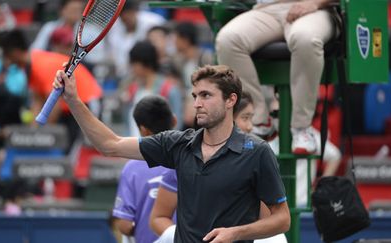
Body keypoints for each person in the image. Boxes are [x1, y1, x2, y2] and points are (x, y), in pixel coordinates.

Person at [53, 64, 290, 242]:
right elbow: (109, 145)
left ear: (231, 100)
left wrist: (236, 233)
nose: (197, 103)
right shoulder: (178, 144)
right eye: (195, 96)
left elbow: (282, 219)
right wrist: (73, 99)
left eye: (206, 95)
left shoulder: (257, 152)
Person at [149, 91, 287, 243]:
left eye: (251, 118)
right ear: (227, 116)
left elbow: (273, 220)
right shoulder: (183, 158)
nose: (249, 126)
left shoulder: (255, 156)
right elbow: (158, 217)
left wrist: (236, 233)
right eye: (245, 118)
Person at [216, 0, 338, 155]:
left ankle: (302, 128)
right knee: (227, 40)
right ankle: (258, 119)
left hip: (314, 10)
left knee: (305, 38)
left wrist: (314, 3)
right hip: (267, 10)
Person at [0, 29, 102, 148]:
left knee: (76, 149)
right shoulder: (29, 67)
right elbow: (37, 100)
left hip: (87, 100)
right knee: (64, 146)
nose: (6, 59)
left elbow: (55, 105)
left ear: (14, 52)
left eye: (6, 54)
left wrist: (41, 135)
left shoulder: (41, 65)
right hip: (69, 109)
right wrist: (32, 132)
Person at [113, 95, 176, 243]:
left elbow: (124, 225)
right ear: (174, 120)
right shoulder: (190, 157)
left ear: (143, 130)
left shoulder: (132, 167)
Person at [121, 41, 183, 136]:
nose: (132, 68)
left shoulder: (169, 90)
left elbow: (177, 124)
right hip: (134, 146)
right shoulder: (133, 89)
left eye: (134, 64)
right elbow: (128, 124)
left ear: (145, 63)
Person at [107, 0, 166, 79]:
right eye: (123, 19)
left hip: (152, 70)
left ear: (134, 11)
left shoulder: (154, 22)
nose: (126, 20)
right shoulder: (114, 27)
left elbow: (164, 48)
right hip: (124, 75)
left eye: (128, 15)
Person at [172, 21, 214, 128]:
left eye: (176, 38)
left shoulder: (205, 57)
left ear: (185, 40)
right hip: (185, 102)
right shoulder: (178, 61)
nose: (174, 42)